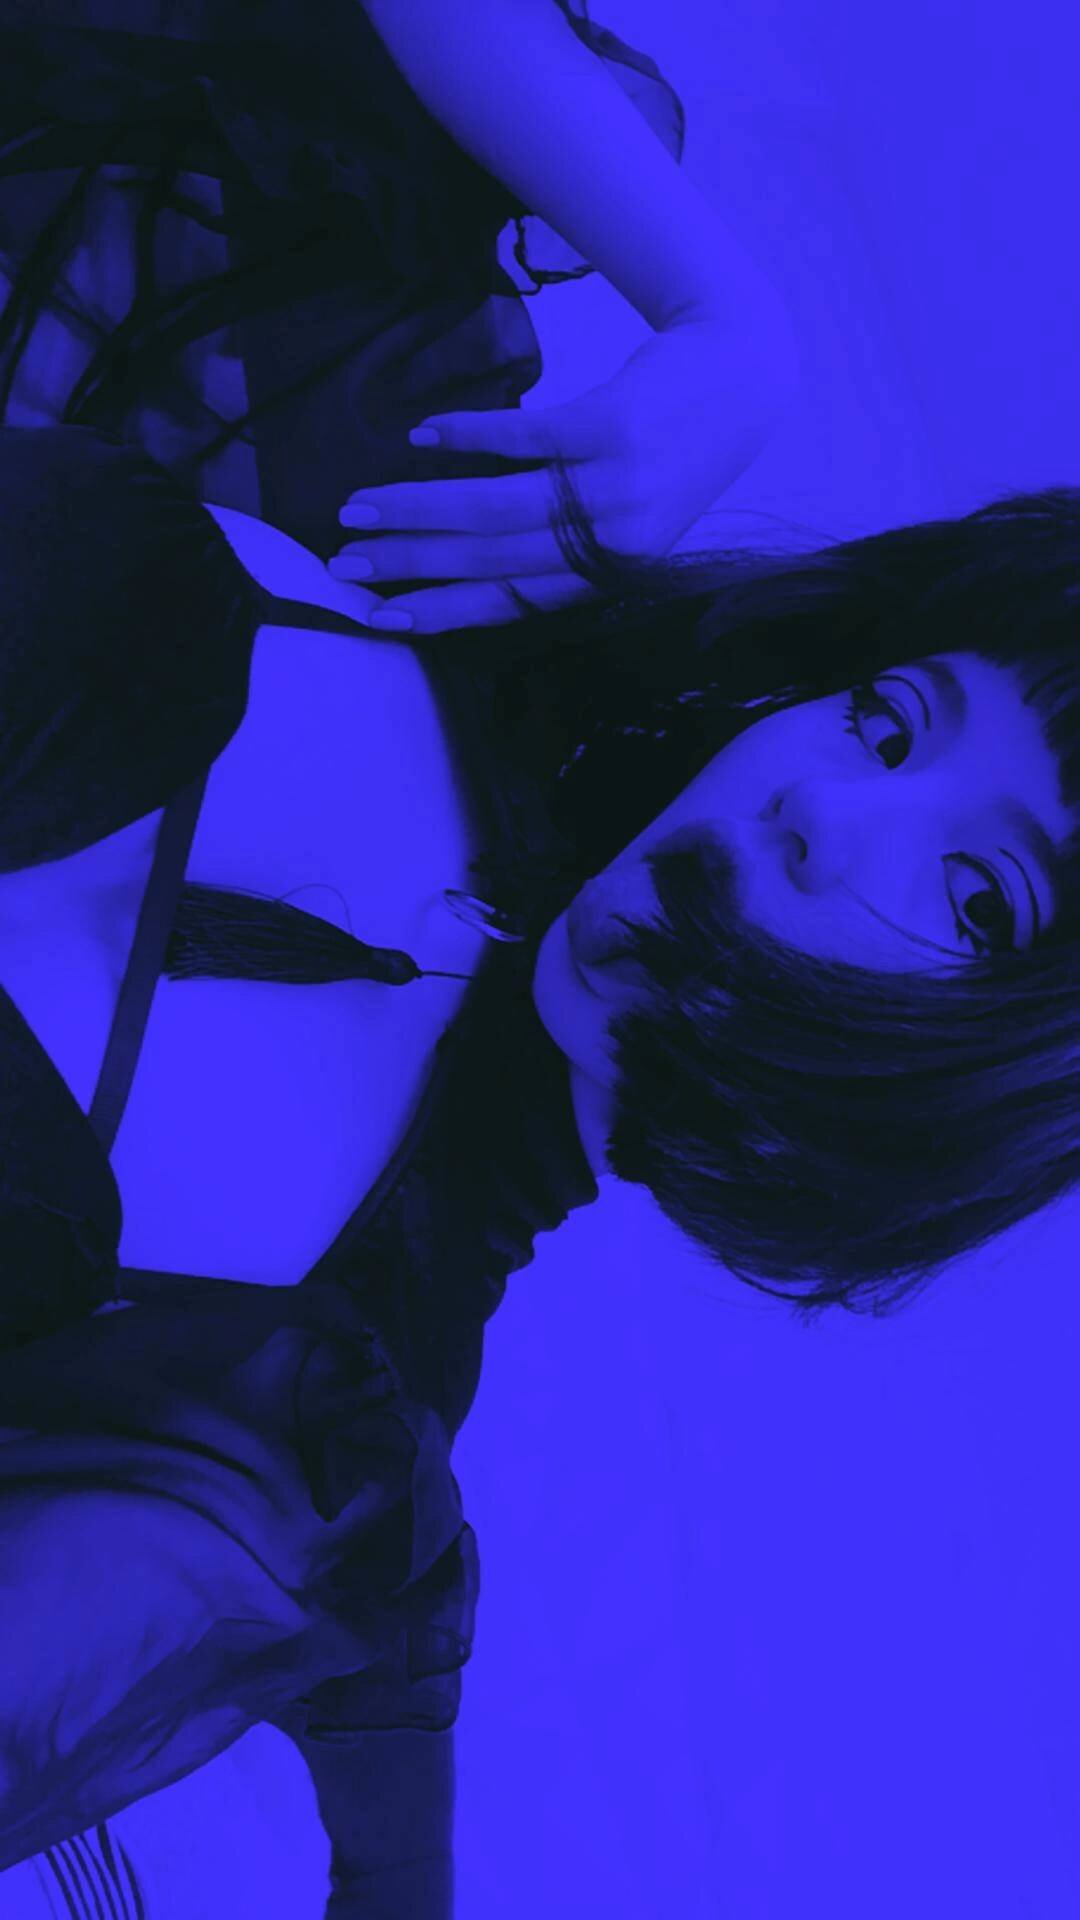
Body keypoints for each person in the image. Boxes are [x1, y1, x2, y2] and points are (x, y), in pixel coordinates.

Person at [0, 3, 1076, 1916]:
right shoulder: (437, 514)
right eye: (891, 720)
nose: (829, 808)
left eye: (977, 896)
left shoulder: (319, 1439)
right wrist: (734, 320)